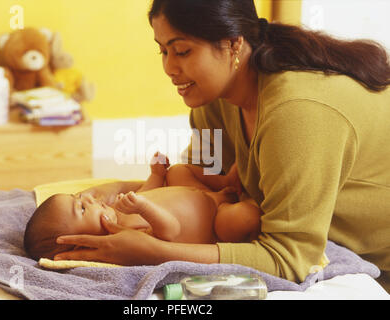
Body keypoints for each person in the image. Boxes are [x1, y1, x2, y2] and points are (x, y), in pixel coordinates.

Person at [53, 0, 390, 292]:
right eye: (163, 50)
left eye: (182, 50)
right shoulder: (212, 98)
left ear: (233, 44)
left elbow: (289, 259)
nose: (169, 68)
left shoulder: (296, 113)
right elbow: (201, 179)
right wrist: (116, 193)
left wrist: (151, 251)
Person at [24, 152, 261, 260]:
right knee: (246, 216)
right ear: (82, 242)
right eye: (82, 209)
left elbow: (151, 191)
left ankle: (224, 182)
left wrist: (156, 174)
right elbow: (170, 230)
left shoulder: (118, 209)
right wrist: (143, 207)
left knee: (178, 170)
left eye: (78, 198)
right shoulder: (129, 237)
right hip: (216, 220)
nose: (88, 199)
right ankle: (248, 199)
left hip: (205, 194)